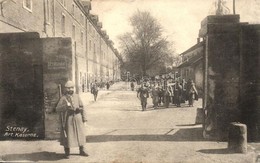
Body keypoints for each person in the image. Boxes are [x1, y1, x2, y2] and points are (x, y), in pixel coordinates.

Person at [56, 80, 88, 159]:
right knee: (68, 136)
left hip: (78, 118)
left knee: (80, 135)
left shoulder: (77, 96)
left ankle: (82, 150)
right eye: (68, 88)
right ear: (65, 89)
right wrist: (65, 107)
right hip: (68, 119)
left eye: (71, 88)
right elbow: (57, 109)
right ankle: (67, 152)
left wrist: (84, 119)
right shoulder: (63, 98)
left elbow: (82, 107)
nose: (70, 89)